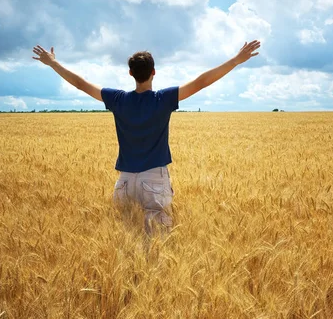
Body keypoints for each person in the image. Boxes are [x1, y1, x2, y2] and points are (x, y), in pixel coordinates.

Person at [32, 40, 261, 235]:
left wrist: (53, 63)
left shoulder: (118, 99)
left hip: (124, 181)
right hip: (154, 179)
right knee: (157, 244)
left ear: (130, 73)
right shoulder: (163, 99)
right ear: (154, 72)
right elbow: (201, 82)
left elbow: (81, 84)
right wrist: (235, 60)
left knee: (124, 239)